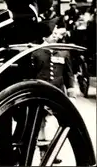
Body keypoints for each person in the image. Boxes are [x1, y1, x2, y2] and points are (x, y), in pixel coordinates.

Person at [31, 27, 78, 163]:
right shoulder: (36, 52)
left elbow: (68, 74)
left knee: (61, 123)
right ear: (45, 36)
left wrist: (71, 93)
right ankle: (43, 154)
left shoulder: (64, 52)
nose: (56, 37)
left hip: (58, 95)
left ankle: (54, 150)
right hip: (40, 93)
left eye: (58, 34)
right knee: (40, 124)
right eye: (53, 34)